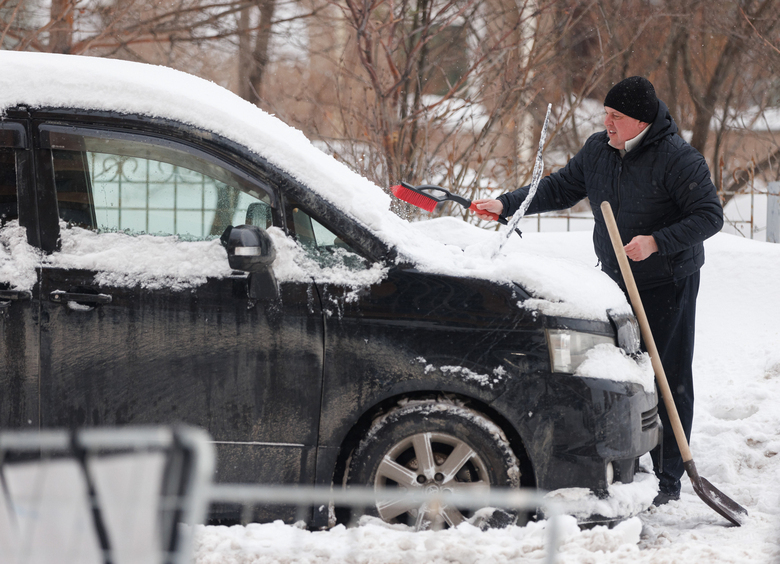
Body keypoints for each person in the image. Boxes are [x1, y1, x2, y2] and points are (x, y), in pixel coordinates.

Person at [473, 76, 724, 506]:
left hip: (668, 282)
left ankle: (669, 476)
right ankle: (632, 458)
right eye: (605, 114)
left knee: (667, 374)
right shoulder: (598, 150)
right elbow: (560, 188)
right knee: (625, 372)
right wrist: (506, 203)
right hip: (615, 282)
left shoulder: (678, 158)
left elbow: (709, 216)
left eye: (616, 117)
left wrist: (656, 241)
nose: (606, 123)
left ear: (641, 121)